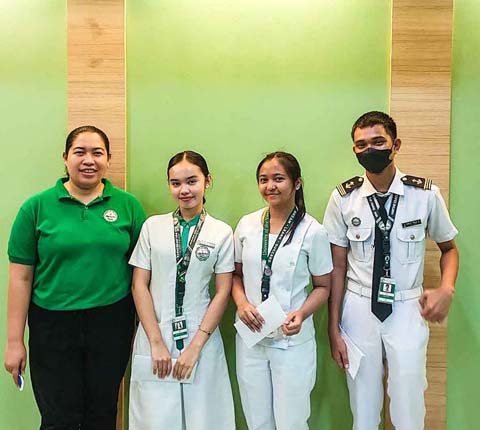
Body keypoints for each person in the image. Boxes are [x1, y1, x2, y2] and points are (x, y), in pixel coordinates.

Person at [324, 111, 459, 430]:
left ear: (395, 145)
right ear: (354, 150)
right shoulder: (344, 198)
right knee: (363, 409)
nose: (369, 150)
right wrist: (333, 327)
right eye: (361, 145)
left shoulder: (424, 195)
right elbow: (337, 267)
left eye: (378, 142)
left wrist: (446, 288)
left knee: (409, 406)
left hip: (407, 308)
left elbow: (449, 249)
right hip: (358, 308)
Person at [4, 125, 146, 429]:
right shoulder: (36, 208)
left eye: (98, 153)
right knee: (58, 418)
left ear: (108, 159)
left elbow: (142, 275)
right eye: (80, 152)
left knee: (102, 414)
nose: (88, 160)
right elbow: (20, 279)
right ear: (65, 157)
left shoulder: (128, 206)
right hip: (51, 325)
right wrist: (14, 341)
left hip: (111, 322)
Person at [128, 150, 235, 430]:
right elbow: (139, 284)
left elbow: (223, 292)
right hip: (156, 332)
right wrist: (155, 341)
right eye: (176, 183)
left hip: (201, 335)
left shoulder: (221, 232)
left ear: (207, 181)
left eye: (192, 181)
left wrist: (195, 347)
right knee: (155, 419)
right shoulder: (153, 227)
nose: (184, 190)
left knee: (204, 418)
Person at [232, 151, 332, 430]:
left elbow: (323, 286)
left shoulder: (313, 231)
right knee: (257, 420)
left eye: (278, 179)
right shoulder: (247, 225)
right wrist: (241, 304)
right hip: (252, 336)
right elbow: (235, 275)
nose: (270, 186)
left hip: (291, 339)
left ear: (296, 183)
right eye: (263, 180)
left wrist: (302, 313)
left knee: (292, 422)